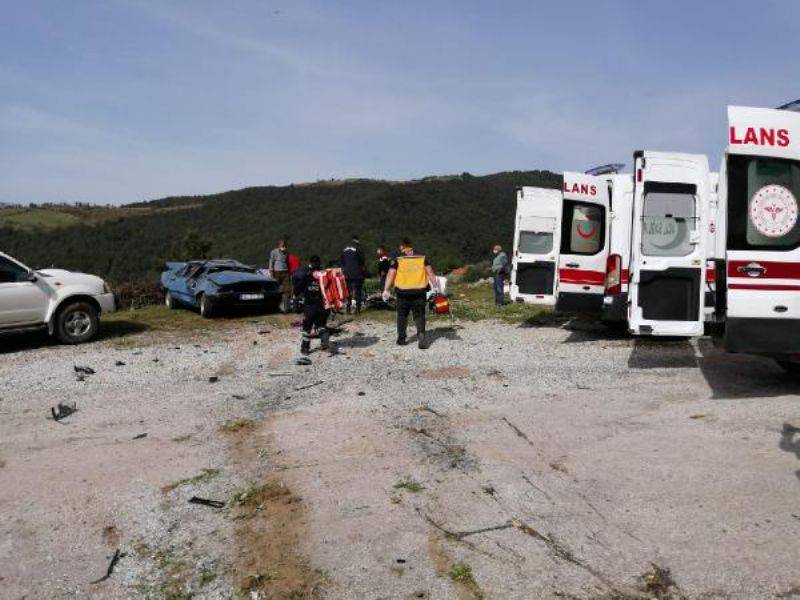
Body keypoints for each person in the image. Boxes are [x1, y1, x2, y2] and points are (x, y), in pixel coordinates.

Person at [382, 238, 440, 349]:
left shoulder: (399, 259)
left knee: (402, 315)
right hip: (419, 291)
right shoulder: (422, 258)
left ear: (403, 247)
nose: (401, 251)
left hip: (402, 292)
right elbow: (430, 272)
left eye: (401, 248)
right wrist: (436, 287)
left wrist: (386, 289)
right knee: (419, 314)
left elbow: (390, 274)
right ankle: (421, 334)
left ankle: (402, 339)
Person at [292, 255, 330, 355]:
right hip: (323, 306)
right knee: (321, 325)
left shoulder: (307, 275)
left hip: (310, 306)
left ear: (310, 263)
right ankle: (324, 341)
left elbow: (297, 291)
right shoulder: (325, 275)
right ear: (320, 263)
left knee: (307, 328)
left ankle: (305, 349)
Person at [341, 236, 366, 314]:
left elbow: (342, 261)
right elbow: (362, 261)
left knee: (348, 291)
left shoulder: (345, 249)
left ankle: (348, 308)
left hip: (347, 273)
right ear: (357, 240)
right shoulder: (358, 248)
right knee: (358, 290)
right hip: (357, 273)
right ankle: (357, 309)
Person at [268, 240, 291, 312]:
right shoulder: (274, 252)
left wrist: (289, 272)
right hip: (277, 271)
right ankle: (275, 306)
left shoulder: (286, 252)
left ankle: (286, 307)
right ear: (279, 245)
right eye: (282, 245)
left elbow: (287, 262)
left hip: (285, 271)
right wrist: (271, 271)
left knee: (287, 289)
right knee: (277, 288)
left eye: (285, 246)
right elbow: (271, 261)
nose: (284, 247)